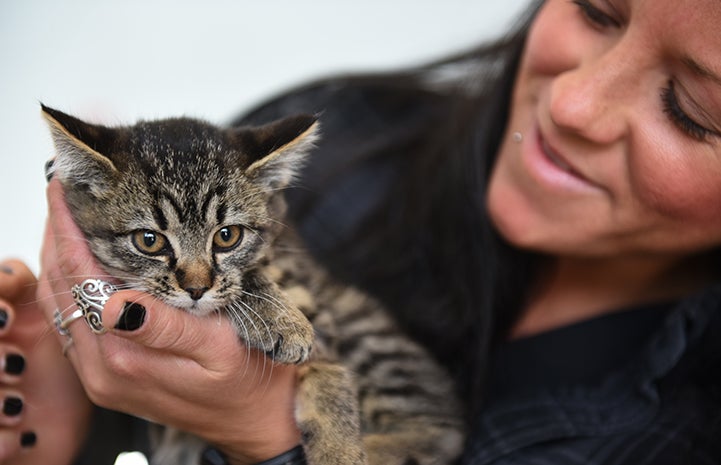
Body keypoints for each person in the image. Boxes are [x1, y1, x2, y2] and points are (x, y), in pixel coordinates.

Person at [1, 0, 721, 463]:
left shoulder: (672, 437)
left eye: (692, 107)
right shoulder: (344, 131)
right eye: (597, 10)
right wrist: (89, 410)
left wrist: (266, 436)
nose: (572, 104)